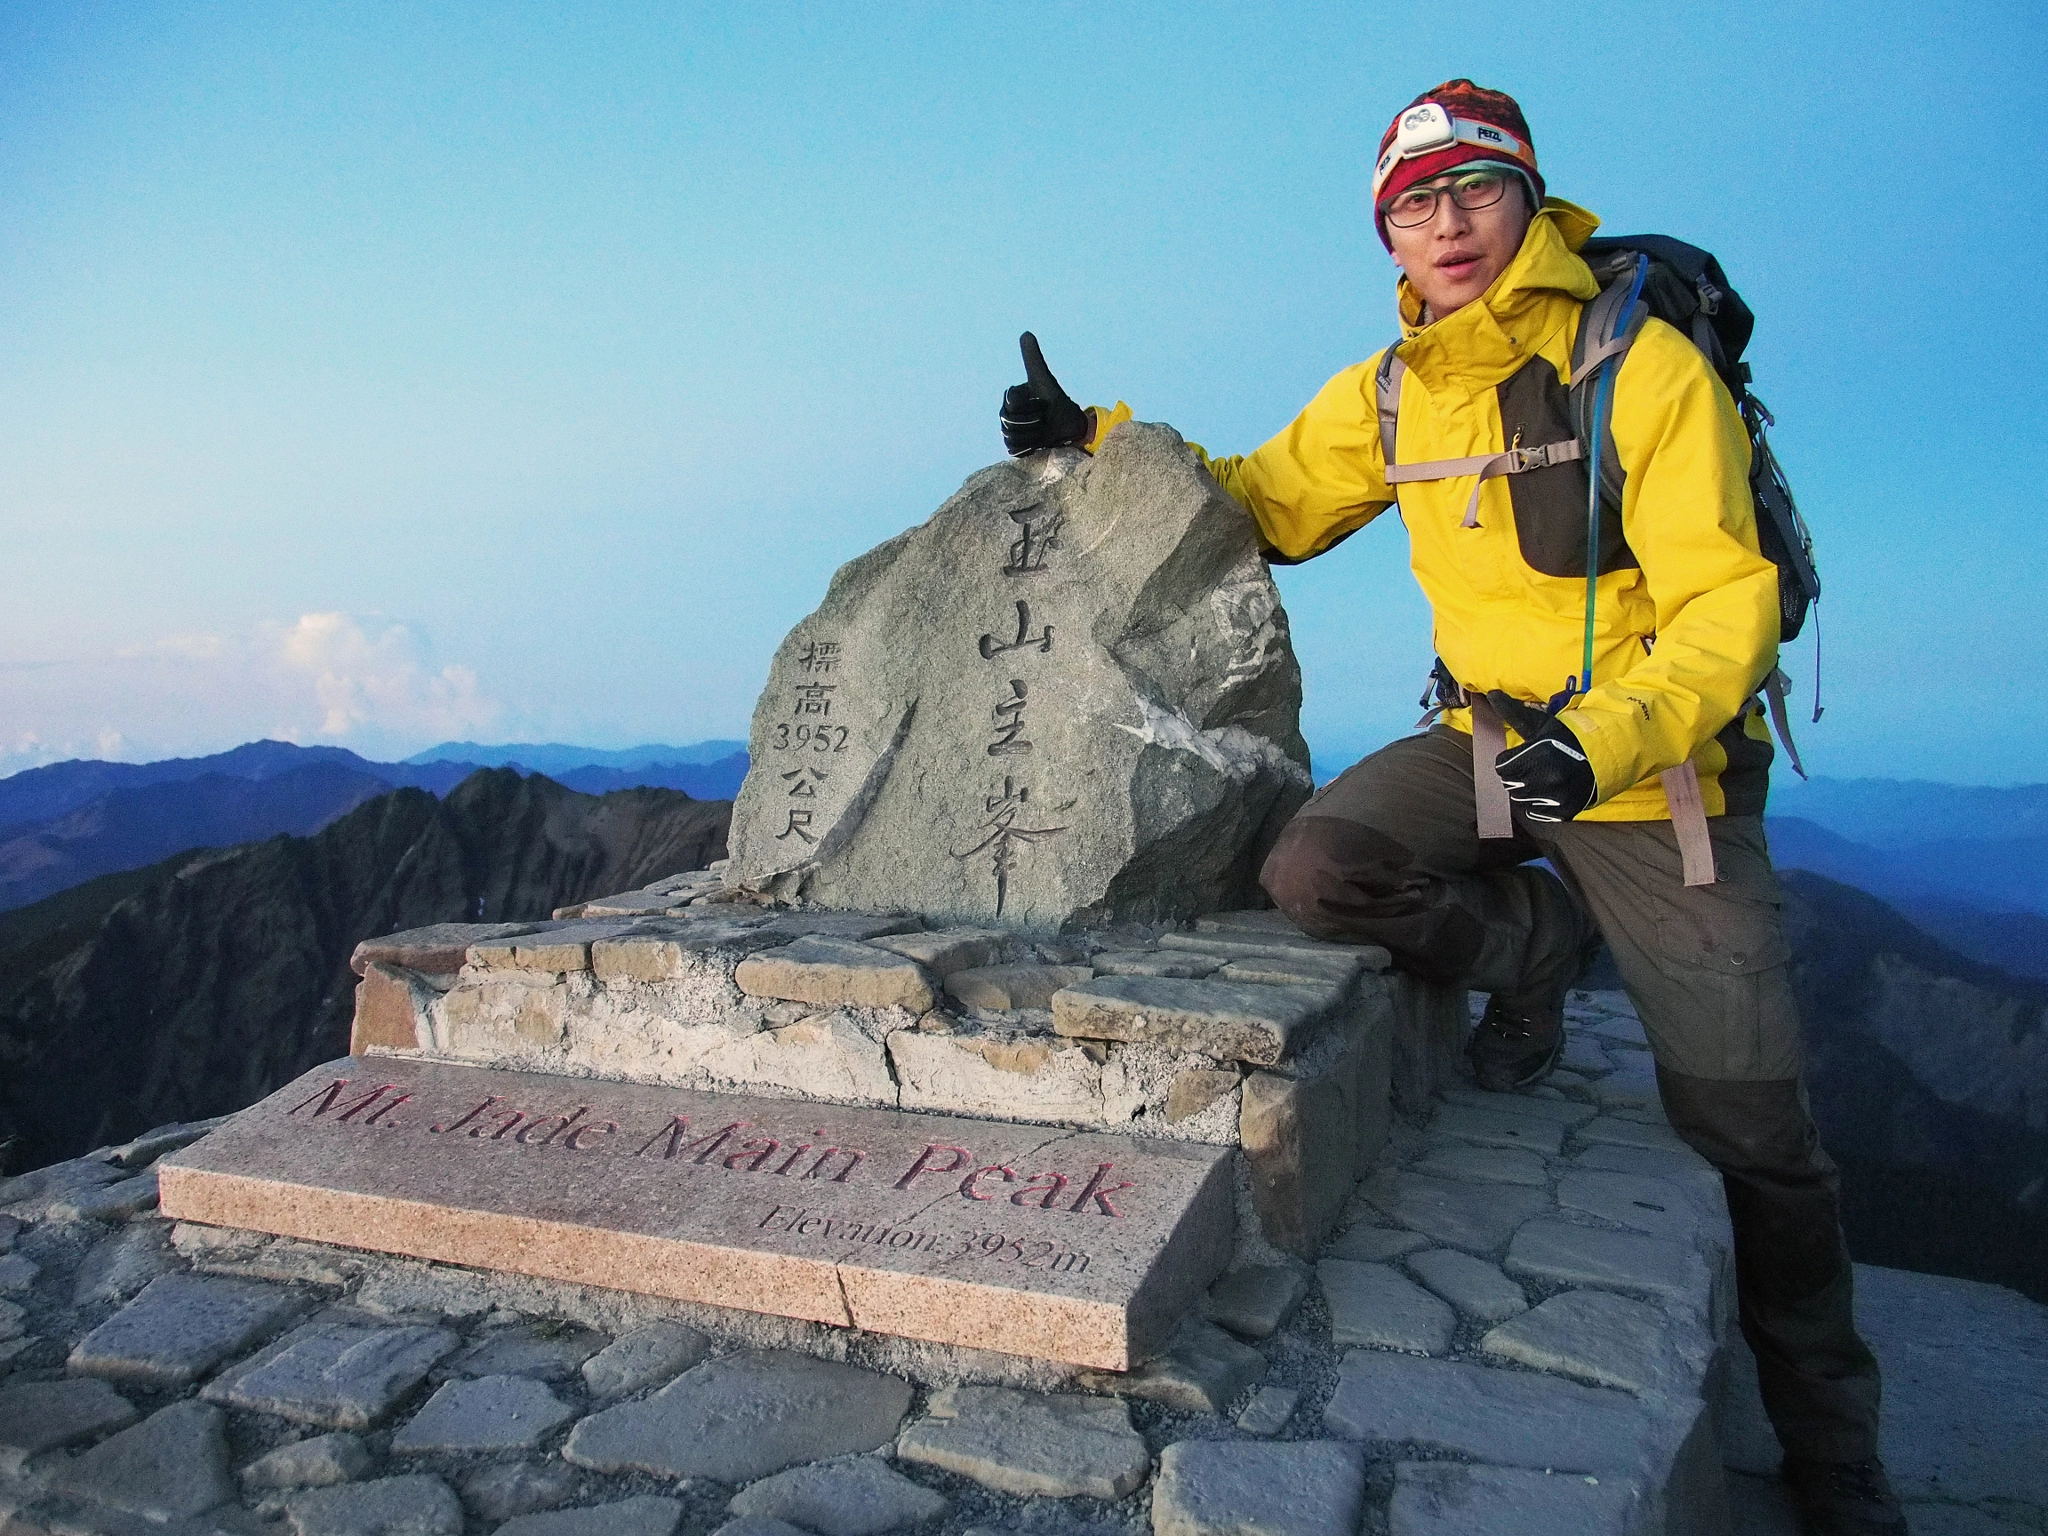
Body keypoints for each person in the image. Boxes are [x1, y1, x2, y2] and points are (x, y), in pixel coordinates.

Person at [998, 79, 1902, 1536]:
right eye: (1414, 206)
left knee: (1751, 1126)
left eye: (1473, 190)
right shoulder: (1397, 387)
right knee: (1317, 868)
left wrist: (1599, 745)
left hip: (1652, 773)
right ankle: (1536, 954)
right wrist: (1094, 439)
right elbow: (1262, 504)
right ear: (1389, 238)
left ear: (1528, 197)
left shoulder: (1645, 369)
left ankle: (1833, 1446)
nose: (1448, 224)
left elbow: (1729, 606)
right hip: (1486, 739)